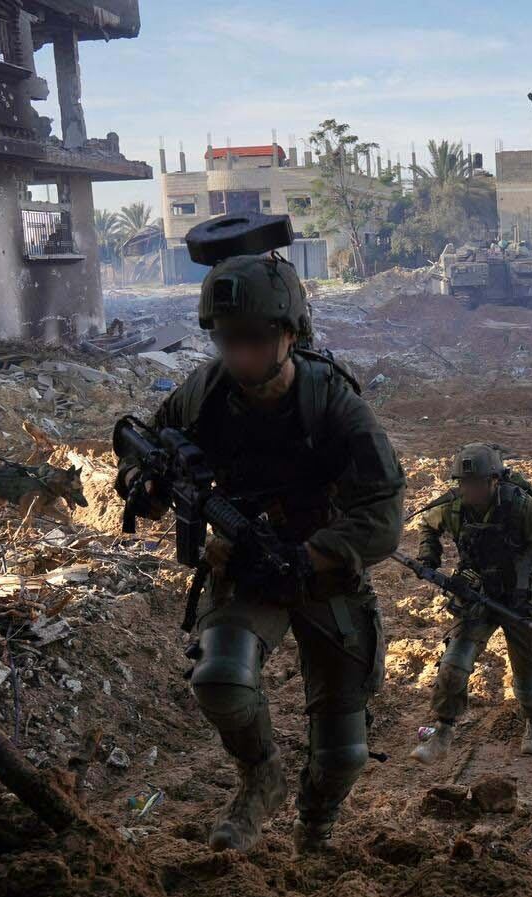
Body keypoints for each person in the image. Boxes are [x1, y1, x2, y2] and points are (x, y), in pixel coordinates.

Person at [115, 251, 405, 855]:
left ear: (290, 335)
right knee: (220, 679)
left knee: (344, 752)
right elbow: (146, 448)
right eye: (227, 340)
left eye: (254, 339)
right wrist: (145, 486)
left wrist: (313, 556)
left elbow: (383, 517)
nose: (239, 354)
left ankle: (316, 821)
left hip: (323, 570)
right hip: (245, 565)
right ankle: (260, 778)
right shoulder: (206, 392)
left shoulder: (334, 404)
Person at [410, 443, 532, 765]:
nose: (469, 490)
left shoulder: (522, 508)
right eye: (464, 483)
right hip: (476, 595)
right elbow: (427, 526)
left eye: (476, 483)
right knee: (453, 666)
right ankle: (443, 731)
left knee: (527, 676)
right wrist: (429, 556)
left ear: (494, 481)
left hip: (520, 600)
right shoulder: (453, 506)